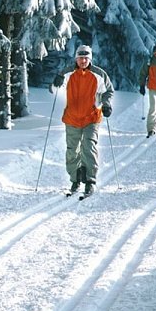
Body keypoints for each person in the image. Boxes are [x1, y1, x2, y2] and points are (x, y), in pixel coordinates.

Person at [49, 45, 115, 197]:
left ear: (90, 59)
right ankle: (75, 179)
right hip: (72, 118)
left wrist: (106, 104)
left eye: (86, 58)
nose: (83, 60)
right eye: (80, 57)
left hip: (91, 117)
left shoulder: (99, 74)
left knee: (88, 147)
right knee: (72, 151)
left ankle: (90, 181)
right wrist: (55, 82)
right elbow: (53, 89)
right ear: (76, 58)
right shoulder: (67, 73)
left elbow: (108, 91)